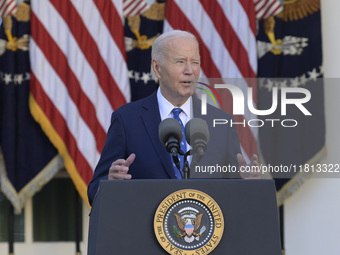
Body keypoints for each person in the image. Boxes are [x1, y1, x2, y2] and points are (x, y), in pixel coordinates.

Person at [87, 30, 259, 205]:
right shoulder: (126, 120)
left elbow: (235, 195)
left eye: (195, 62)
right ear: (157, 68)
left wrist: (249, 185)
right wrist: (110, 184)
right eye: (180, 61)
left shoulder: (221, 123)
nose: (189, 70)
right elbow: (95, 192)